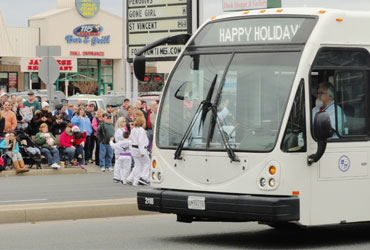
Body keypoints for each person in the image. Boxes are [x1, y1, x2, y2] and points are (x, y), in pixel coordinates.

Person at [126, 117, 150, 186]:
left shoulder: (133, 130)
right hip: (140, 149)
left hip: (134, 149)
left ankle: (130, 178)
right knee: (147, 162)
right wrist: (142, 152)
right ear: (142, 123)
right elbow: (141, 141)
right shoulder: (141, 130)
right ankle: (144, 177)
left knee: (137, 165)